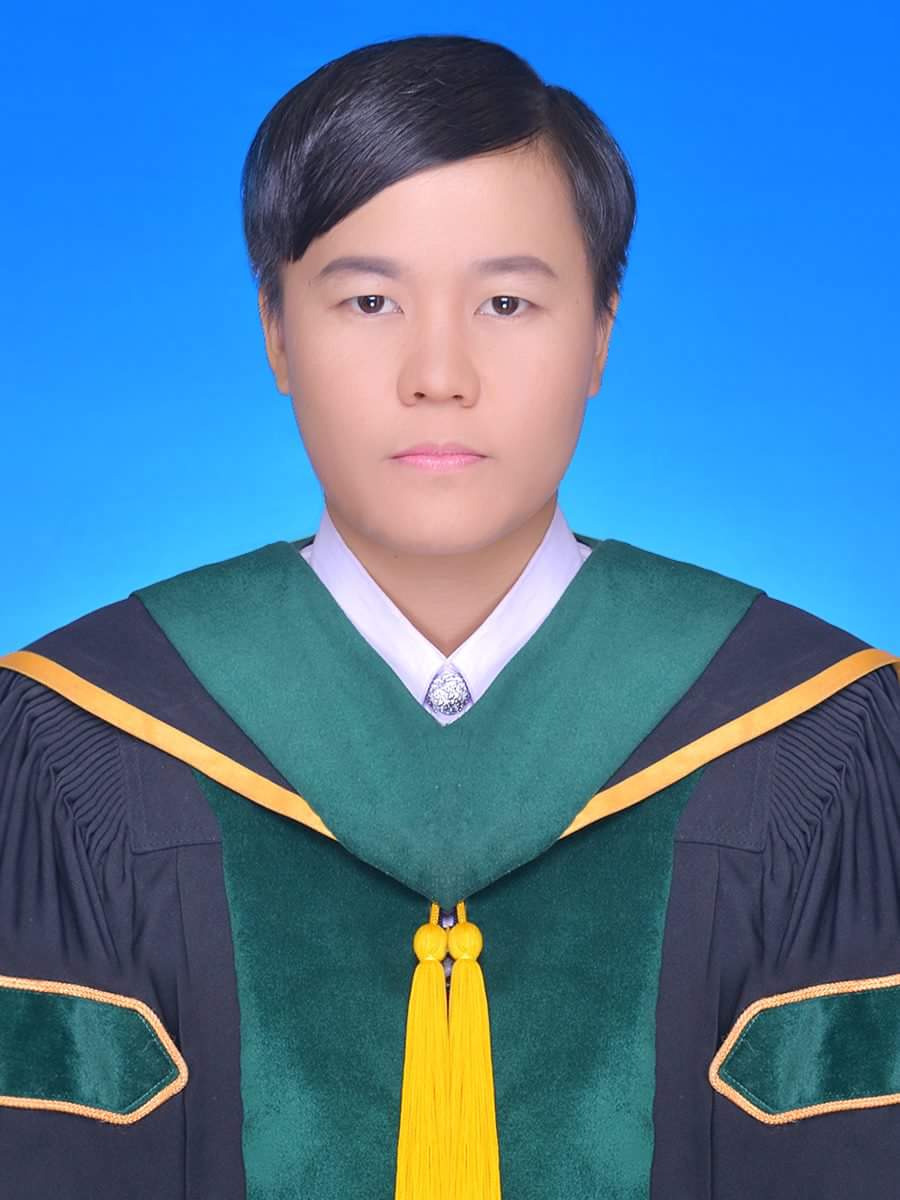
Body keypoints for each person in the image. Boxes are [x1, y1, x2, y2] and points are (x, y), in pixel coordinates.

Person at [1, 32, 898, 1200]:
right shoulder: (77, 742)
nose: (439, 373)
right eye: (370, 299)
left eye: (507, 301)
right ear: (276, 332)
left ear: (602, 334)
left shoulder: (817, 739)